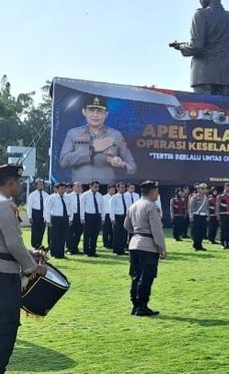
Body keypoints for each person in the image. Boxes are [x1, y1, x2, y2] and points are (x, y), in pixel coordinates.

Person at [0, 164, 47, 373]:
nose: (21, 186)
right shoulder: (4, 204)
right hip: (0, 275)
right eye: (19, 182)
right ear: (11, 182)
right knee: (5, 326)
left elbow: (0, 242)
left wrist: (28, 253)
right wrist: (33, 267)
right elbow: (12, 243)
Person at [174, 0, 229, 96]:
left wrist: (181, 46)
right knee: (225, 110)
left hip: (204, 75)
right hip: (227, 75)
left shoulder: (200, 15)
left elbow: (197, 46)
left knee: (205, 111)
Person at [59, 95, 137, 184]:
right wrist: (92, 149)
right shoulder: (73, 133)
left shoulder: (116, 135)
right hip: (79, 190)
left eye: (99, 111)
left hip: (107, 191)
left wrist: (122, 165)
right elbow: (63, 162)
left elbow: (132, 167)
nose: (95, 115)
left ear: (106, 114)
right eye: (91, 110)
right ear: (84, 112)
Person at [124, 180, 167, 316]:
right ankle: (142, 305)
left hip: (134, 242)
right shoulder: (151, 206)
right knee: (146, 276)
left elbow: (127, 225)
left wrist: (137, 232)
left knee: (135, 276)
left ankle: (135, 305)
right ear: (153, 192)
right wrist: (162, 247)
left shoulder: (134, 205)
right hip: (148, 245)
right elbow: (157, 230)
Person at [44, 182, 71, 258]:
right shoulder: (52, 198)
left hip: (64, 218)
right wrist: (48, 221)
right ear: (57, 189)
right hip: (55, 218)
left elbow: (69, 208)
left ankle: (61, 253)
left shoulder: (67, 198)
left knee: (63, 237)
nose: (63, 190)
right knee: (55, 236)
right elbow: (48, 210)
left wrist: (70, 219)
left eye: (64, 188)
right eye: (61, 188)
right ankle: (54, 253)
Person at [80, 181, 104, 256]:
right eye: (95, 187)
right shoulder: (85, 195)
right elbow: (82, 207)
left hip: (97, 216)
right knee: (87, 234)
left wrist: (102, 217)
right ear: (90, 186)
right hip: (88, 216)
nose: (96, 188)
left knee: (95, 234)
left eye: (98, 187)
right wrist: (82, 217)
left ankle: (92, 251)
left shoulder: (100, 196)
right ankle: (86, 251)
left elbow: (102, 207)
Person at [26, 178, 48, 248]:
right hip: (35, 213)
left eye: (42, 185)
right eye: (39, 184)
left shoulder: (46, 195)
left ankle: (39, 243)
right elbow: (29, 206)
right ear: (36, 185)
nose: (41, 186)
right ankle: (34, 244)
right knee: (35, 230)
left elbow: (47, 206)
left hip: (43, 213)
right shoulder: (32, 195)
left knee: (42, 229)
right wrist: (30, 216)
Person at [110, 182, 130, 255]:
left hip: (125, 217)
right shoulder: (114, 197)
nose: (123, 189)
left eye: (124, 187)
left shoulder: (127, 197)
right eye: (121, 187)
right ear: (117, 188)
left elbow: (129, 207)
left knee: (124, 234)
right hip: (118, 217)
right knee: (117, 234)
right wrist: (112, 218)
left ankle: (122, 249)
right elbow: (112, 209)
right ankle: (116, 250)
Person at [189, 183, 210, 251]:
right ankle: (195, 245)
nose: (204, 190)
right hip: (196, 215)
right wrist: (191, 215)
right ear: (198, 189)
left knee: (202, 231)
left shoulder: (206, 198)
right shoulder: (194, 197)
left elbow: (207, 207)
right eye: (202, 188)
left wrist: (208, 215)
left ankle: (200, 244)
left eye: (205, 188)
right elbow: (191, 208)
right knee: (196, 231)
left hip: (203, 215)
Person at [216, 183, 229, 249]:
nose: (228, 188)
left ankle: (228, 243)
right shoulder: (220, 196)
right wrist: (217, 214)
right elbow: (217, 206)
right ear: (224, 187)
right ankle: (223, 243)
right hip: (223, 214)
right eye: (227, 187)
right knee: (223, 229)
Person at [65, 182, 83, 255]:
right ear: (73, 187)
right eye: (77, 186)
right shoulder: (68, 196)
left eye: (80, 186)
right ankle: (69, 248)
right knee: (70, 233)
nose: (79, 188)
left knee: (78, 233)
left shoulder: (83, 196)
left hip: (80, 216)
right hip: (72, 216)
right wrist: (69, 218)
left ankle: (75, 247)